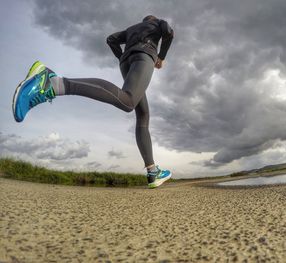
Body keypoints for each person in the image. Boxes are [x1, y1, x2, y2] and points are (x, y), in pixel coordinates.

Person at [12, 15, 174, 189]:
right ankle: (53, 83)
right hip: (144, 57)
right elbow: (168, 32)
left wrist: (121, 57)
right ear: (153, 19)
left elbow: (111, 39)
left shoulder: (130, 30)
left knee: (143, 114)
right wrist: (161, 56)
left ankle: (152, 172)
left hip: (126, 62)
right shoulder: (156, 24)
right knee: (128, 101)